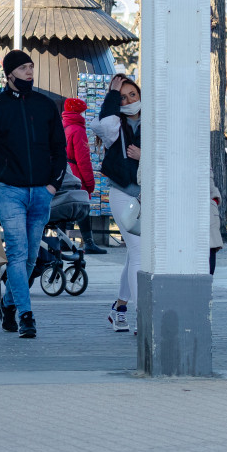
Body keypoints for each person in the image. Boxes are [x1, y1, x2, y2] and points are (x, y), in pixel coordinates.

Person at [0, 50, 67, 339]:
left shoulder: (46, 106)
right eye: (23, 68)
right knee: (17, 253)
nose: (29, 72)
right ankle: (26, 315)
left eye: (31, 67)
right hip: (8, 191)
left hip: (41, 192)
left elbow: (59, 149)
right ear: (9, 74)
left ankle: (8, 304)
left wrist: (53, 186)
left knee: (29, 258)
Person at [90, 74, 142, 333]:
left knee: (135, 254)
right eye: (123, 97)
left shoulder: (154, 122)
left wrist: (145, 156)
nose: (129, 100)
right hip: (123, 193)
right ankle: (145, 315)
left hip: (148, 195)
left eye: (132, 94)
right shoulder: (114, 127)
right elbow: (103, 122)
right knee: (140, 251)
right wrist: (112, 92)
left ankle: (119, 308)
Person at [62, 97, 106, 254]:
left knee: (63, 206)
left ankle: (62, 241)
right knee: (83, 208)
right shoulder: (78, 130)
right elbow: (83, 160)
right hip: (77, 175)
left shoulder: (63, 127)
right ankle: (88, 242)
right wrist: (90, 183)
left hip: (64, 172)